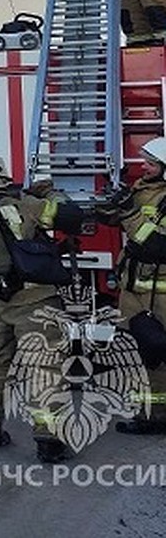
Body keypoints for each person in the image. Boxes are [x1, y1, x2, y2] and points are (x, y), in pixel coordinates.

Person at [0, 149, 80, 464]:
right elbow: (69, 217)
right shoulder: (20, 204)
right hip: (33, 296)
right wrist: (50, 192)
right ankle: (49, 441)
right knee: (45, 364)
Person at [100, 137, 166, 434]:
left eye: (151, 163)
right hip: (134, 289)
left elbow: (155, 245)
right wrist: (110, 205)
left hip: (159, 292)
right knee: (137, 353)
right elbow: (122, 222)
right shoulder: (142, 189)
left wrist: (128, 210)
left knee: (156, 353)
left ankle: (156, 417)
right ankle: (147, 415)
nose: (144, 167)